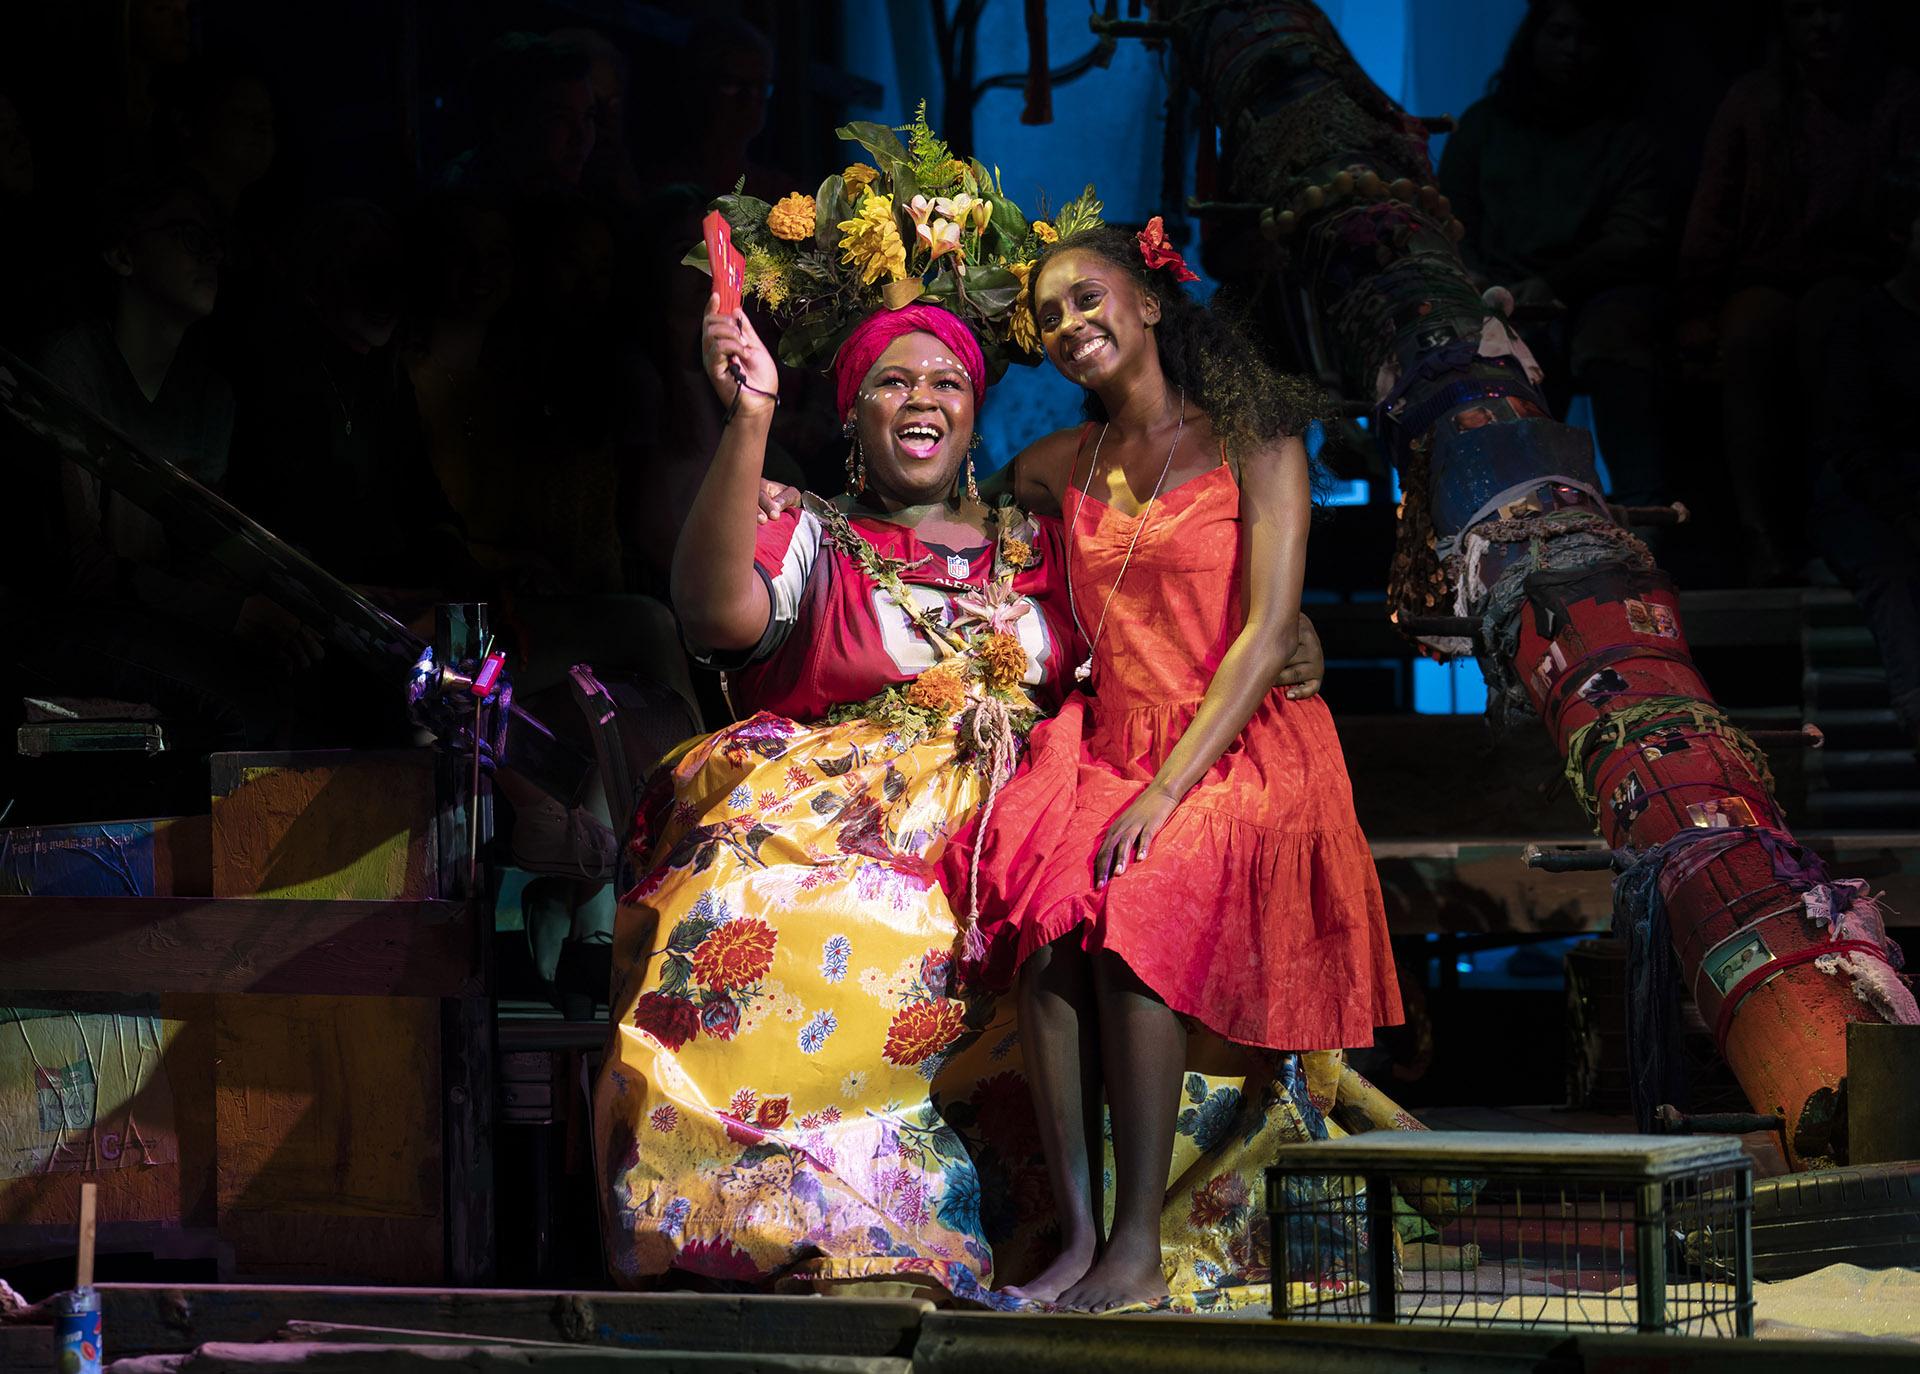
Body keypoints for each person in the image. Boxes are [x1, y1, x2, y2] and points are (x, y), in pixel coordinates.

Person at [591, 292, 1339, 1304]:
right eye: (892, 382)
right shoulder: (807, 530)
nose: (922, 399)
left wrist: (1285, 629)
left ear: (977, 414)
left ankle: (1109, 1237)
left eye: (946, 381)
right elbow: (713, 609)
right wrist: (752, 421)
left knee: (1131, 899)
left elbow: (1165, 596)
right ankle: (843, 1228)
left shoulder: (1036, 543)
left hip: (1030, 799)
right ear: (852, 413)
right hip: (844, 812)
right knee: (763, 913)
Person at [948, 223, 1402, 1311]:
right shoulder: (1062, 465)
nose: (1068, 326)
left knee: (1136, 903)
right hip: (1107, 742)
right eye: (1048, 315)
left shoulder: (1258, 436)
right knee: (1052, 922)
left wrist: (1166, 789)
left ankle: (1140, 1249)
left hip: (1239, 746)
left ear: (1150, 302)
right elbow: (941, 520)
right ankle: (1076, 1240)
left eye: (1087, 298)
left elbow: (1266, 631)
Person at [1679, 0, 1920, 582]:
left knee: (1833, 328)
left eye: (1834, 7)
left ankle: (1839, 529)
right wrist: (1696, 310)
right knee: (1748, 339)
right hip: (1767, 276)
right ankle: (1760, 531)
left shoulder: (1893, 95)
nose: (1822, 25)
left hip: (1863, 276)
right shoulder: (1755, 100)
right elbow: (1713, 211)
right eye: (1805, 10)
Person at [1437, 0, 1668, 508]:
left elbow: (1633, 237)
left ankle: (1641, 509)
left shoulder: (1624, 137)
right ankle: (1516, 512)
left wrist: (1558, 283)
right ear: (1533, 41)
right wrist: (1477, 277)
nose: (1571, 51)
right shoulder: (1486, 126)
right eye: (1559, 34)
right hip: (1498, 290)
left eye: (1585, 38)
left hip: (1596, 292)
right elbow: (1451, 216)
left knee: (1615, 346)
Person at [1812, 157, 1920, 758]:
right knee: (1892, 572)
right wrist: (1907, 516)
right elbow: (1852, 445)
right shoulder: (1865, 321)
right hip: (1868, 501)